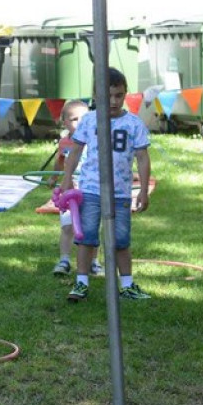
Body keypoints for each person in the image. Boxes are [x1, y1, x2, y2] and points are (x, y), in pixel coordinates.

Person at [61, 68, 151, 303]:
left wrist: (142, 189)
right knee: (86, 237)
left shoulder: (134, 124)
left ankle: (127, 285)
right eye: (107, 95)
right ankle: (81, 283)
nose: (113, 101)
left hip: (120, 192)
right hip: (90, 190)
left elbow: (142, 157)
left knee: (121, 240)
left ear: (125, 95)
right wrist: (67, 177)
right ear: (96, 95)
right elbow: (75, 150)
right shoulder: (89, 120)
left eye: (119, 95)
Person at [52, 100, 102, 277]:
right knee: (67, 227)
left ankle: (94, 262)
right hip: (69, 193)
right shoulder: (65, 143)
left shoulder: (95, 140)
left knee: (91, 228)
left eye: (84, 118)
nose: (80, 123)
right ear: (64, 122)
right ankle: (64, 260)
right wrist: (54, 178)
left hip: (90, 191)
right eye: (74, 119)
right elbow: (60, 162)